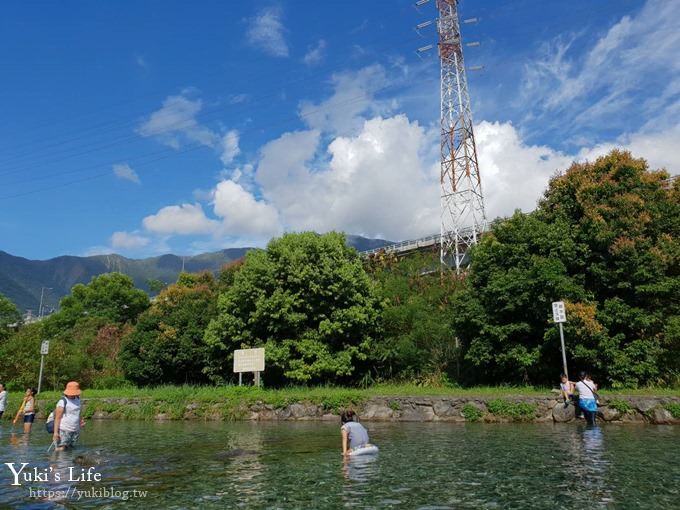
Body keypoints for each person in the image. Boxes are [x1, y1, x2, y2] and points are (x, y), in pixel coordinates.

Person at [53, 381, 85, 451]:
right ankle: (57, 460)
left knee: (71, 448)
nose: (72, 394)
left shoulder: (78, 400)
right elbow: (57, 418)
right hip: (64, 429)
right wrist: (55, 432)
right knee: (62, 448)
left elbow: (78, 413)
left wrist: (81, 421)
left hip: (75, 429)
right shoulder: (63, 401)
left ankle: (69, 462)